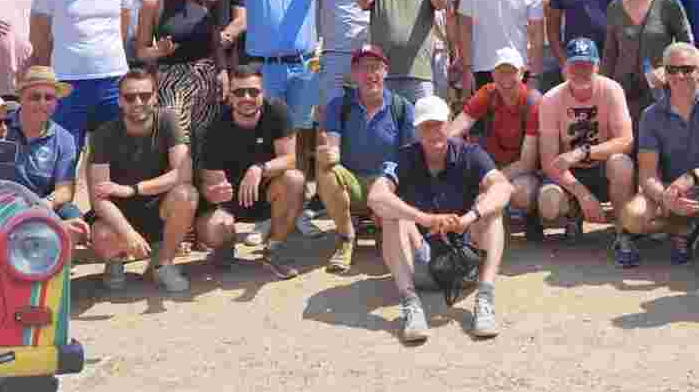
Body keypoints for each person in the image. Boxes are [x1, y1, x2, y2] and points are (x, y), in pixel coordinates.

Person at [368, 95, 512, 343]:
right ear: (416, 131)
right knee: (393, 215)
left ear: (449, 123)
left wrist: (468, 218)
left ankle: (485, 297)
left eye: (439, 124)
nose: (434, 132)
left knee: (491, 208)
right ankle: (410, 303)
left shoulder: (471, 153)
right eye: (426, 126)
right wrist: (423, 219)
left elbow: (504, 188)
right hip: (419, 264)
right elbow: (376, 196)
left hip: (464, 263)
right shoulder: (404, 157)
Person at [224, 0, 329, 169]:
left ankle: (301, 192)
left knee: (303, 130)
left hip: (304, 66)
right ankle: (271, 191)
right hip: (265, 68)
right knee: (268, 129)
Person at [620, 42, 699, 266]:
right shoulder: (651, 115)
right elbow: (647, 174)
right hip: (669, 191)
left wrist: (692, 176)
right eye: (672, 70)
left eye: (687, 69)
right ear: (664, 73)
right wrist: (665, 197)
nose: (679, 76)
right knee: (632, 217)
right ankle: (684, 228)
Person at [86, 66, 198, 294]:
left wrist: (134, 189)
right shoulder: (103, 134)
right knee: (103, 235)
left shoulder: (167, 120)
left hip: (157, 208)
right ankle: (115, 262)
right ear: (119, 101)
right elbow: (99, 198)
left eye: (145, 96)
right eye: (130, 97)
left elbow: (183, 174)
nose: (138, 102)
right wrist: (128, 234)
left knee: (187, 194)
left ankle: (163, 264)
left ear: (155, 97)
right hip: (119, 213)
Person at [195, 64, 307, 279]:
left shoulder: (277, 111)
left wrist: (259, 168)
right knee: (214, 228)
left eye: (253, 91)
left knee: (294, 179)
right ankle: (225, 248)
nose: (246, 97)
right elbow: (211, 183)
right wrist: (216, 192)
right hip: (231, 202)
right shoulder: (214, 127)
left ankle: (274, 249)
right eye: (239, 92)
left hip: (268, 193)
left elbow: (290, 159)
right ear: (229, 95)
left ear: (263, 92)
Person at [32, 0, 136, 142]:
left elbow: (123, 29)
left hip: (113, 79)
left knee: (113, 153)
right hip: (68, 81)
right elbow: (39, 36)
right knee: (66, 153)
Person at [317, 46, 418, 274]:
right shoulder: (339, 105)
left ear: (386, 71)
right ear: (354, 74)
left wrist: (391, 186)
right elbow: (333, 147)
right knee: (327, 171)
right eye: (363, 68)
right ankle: (346, 237)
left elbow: (410, 158)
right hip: (352, 180)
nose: (369, 74)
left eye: (375, 68)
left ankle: (385, 227)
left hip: (387, 184)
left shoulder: (402, 107)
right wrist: (328, 154)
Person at [536, 38, 636, 252]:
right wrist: (583, 194)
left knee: (622, 163)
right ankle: (573, 214)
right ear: (565, 68)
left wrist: (584, 152)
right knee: (549, 201)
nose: (581, 70)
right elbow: (548, 162)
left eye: (587, 65)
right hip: (569, 174)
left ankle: (623, 230)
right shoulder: (550, 99)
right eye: (575, 65)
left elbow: (626, 141)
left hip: (601, 168)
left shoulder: (612, 89)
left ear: (597, 66)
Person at [448, 46, 542, 232]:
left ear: (523, 73)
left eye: (512, 72)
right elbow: (453, 132)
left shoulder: (533, 101)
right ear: (492, 74)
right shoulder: (487, 93)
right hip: (492, 164)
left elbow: (527, 162)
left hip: (522, 170)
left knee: (521, 193)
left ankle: (531, 214)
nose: (506, 79)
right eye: (501, 72)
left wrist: (489, 180)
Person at [0, 65, 90, 251]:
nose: (42, 103)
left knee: (75, 221)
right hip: (0, 203)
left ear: (56, 102)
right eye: (34, 97)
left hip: (42, 204)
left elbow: (64, 190)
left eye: (49, 98)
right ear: (21, 98)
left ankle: (48, 267)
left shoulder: (64, 138)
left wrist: (43, 205)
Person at [600, 0, 692, 123]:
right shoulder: (615, 8)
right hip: (623, 95)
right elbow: (609, 54)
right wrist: (603, 90)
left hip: (660, 93)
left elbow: (687, 47)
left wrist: (667, 71)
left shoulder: (669, 3)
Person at [137, 0, 221, 142]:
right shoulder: (153, 3)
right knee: (177, 139)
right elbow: (141, 52)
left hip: (205, 78)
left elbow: (216, 44)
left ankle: (200, 173)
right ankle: (178, 173)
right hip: (170, 80)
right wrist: (159, 51)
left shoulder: (207, 2)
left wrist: (222, 72)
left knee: (205, 141)